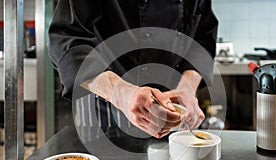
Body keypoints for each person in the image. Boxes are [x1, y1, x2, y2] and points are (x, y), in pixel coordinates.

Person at [48, 0, 218, 139]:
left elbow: (203, 40)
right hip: (104, 109)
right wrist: (122, 94)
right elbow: (67, 39)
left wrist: (186, 88)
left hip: (172, 113)